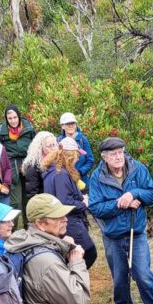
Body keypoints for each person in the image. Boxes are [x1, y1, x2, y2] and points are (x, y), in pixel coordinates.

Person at [88, 137, 153, 304]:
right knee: (119, 276)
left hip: (137, 232)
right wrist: (120, 203)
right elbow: (96, 208)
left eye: (121, 152)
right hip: (112, 235)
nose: (118, 157)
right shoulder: (96, 177)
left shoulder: (138, 169)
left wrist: (134, 194)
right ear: (104, 157)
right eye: (113, 154)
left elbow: (152, 193)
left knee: (143, 274)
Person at [4, 194, 91, 304]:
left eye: (64, 214)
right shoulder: (46, 262)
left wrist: (61, 246)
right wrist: (76, 261)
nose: (64, 219)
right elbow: (76, 301)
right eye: (57, 216)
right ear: (40, 223)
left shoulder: (25, 242)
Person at [43, 137, 97, 269]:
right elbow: (65, 202)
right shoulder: (61, 174)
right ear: (69, 155)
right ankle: (71, 282)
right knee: (89, 252)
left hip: (64, 221)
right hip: (69, 221)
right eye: (76, 155)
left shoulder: (54, 170)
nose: (78, 158)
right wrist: (84, 203)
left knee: (70, 254)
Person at [0, 105, 36, 209]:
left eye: (15, 117)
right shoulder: (0, 131)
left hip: (28, 163)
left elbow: (35, 146)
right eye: (10, 118)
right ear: (6, 119)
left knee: (29, 198)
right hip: (11, 166)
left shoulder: (28, 128)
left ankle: (28, 224)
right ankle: (12, 225)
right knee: (15, 201)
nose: (13, 121)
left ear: (19, 116)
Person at [20, 131, 57, 224]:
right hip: (43, 203)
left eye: (54, 145)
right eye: (49, 146)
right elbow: (32, 192)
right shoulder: (33, 165)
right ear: (41, 147)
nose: (53, 148)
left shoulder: (56, 161)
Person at [58, 112, 95, 182]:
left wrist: (80, 172)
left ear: (76, 125)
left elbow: (90, 160)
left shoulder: (83, 140)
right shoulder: (59, 141)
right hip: (65, 180)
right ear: (62, 126)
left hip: (82, 180)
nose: (70, 126)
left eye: (73, 123)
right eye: (67, 124)